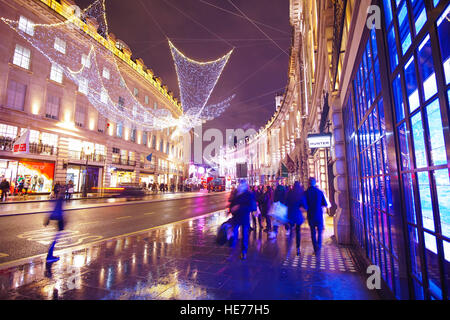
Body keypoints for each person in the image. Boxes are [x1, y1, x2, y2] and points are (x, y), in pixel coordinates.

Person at [229, 180, 257, 260]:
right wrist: (231, 209)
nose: (241, 186)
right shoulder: (236, 194)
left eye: (242, 185)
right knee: (234, 234)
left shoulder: (249, 194)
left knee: (244, 235)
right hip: (236, 217)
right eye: (240, 185)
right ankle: (232, 251)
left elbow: (252, 207)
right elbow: (232, 204)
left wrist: (239, 207)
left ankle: (243, 252)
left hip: (244, 218)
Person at [304, 177, 329, 255]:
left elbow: (304, 204)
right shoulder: (320, 192)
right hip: (319, 215)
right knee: (320, 231)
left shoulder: (306, 192)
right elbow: (325, 204)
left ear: (308, 183)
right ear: (315, 183)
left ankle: (315, 248)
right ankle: (319, 245)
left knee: (313, 232)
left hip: (311, 215)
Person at [43, 189, 66, 262]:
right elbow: (57, 211)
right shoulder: (60, 200)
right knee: (55, 239)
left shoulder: (59, 200)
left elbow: (55, 210)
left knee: (56, 239)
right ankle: (49, 256)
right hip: (60, 221)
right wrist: (49, 218)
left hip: (60, 221)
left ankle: (50, 255)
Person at [286, 182, 307, 256]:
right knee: (298, 231)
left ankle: (289, 245)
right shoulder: (300, 194)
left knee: (291, 229)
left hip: (290, 214)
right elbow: (305, 205)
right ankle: (297, 248)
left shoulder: (290, 193)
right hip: (297, 215)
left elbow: (286, 202)